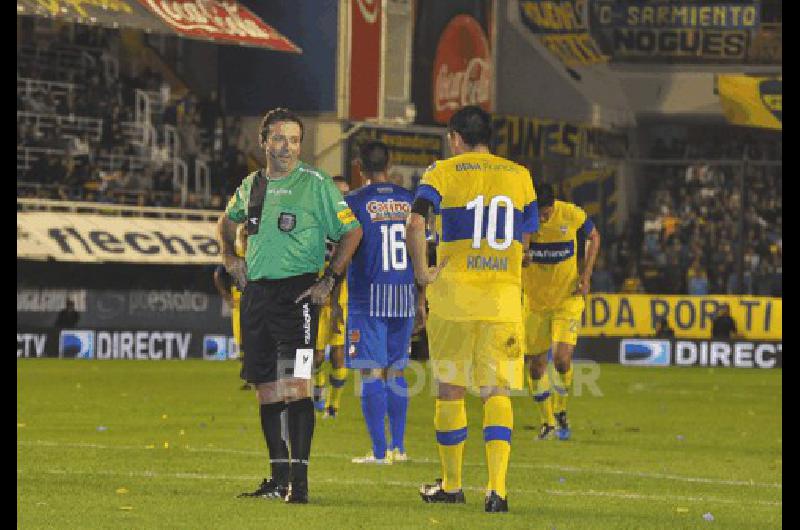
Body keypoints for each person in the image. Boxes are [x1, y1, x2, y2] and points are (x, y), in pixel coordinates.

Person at [218, 108, 363, 504]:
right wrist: (230, 259)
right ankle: (277, 478)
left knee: (297, 385)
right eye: (280, 139)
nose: (288, 147)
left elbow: (352, 232)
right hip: (258, 298)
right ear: (264, 141)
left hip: (298, 297)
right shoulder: (252, 185)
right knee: (266, 388)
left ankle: (299, 485)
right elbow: (226, 222)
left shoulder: (315, 184)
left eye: (295, 140)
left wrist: (329, 279)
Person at [406, 106, 538, 513]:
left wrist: (423, 272)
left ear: (455, 138)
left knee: (451, 389)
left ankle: (452, 484)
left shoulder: (441, 172)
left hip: (454, 297)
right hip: (502, 298)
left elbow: (415, 223)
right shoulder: (520, 176)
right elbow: (528, 235)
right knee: (497, 391)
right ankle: (497, 490)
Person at [338, 141, 417, 465]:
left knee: (370, 373)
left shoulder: (354, 201)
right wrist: (422, 298)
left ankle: (380, 452)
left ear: (359, 166)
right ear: (391, 162)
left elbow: (341, 248)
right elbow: (420, 246)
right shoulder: (410, 200)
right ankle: (398, 447)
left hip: (367, 297)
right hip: (403, 295)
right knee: (396, 371)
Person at [521, 183, 601, 442]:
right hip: (534, 304)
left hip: (567, 298)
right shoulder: (523, 220)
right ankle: (547, 422)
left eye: (547, 212)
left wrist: (586, 275)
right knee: (535, 368)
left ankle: (561, 410)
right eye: (540, 214)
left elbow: (594, 236)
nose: (543, 218)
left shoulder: (571, 214)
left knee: (562, 358)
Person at [312, 176, 352, 418]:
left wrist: (338, 301)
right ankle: (318, 389)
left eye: (347, 193)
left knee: (338, 355)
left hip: (339, 300)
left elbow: (345, 267)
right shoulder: (317, 224)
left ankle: (334, 406)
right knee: (316, 357)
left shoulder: (352, 228)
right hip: (316, 300)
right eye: (340, 193)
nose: (344, 198)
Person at [213, 224, 250, 390]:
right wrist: (226, 295)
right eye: (243, 233)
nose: (245, 235)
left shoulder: (259, 251)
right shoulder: (235, 253)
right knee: (242, 341)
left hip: (257, 299)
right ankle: (248, 377)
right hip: (239, 299)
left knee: (256, 340)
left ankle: (255, 376)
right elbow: (218, 274)